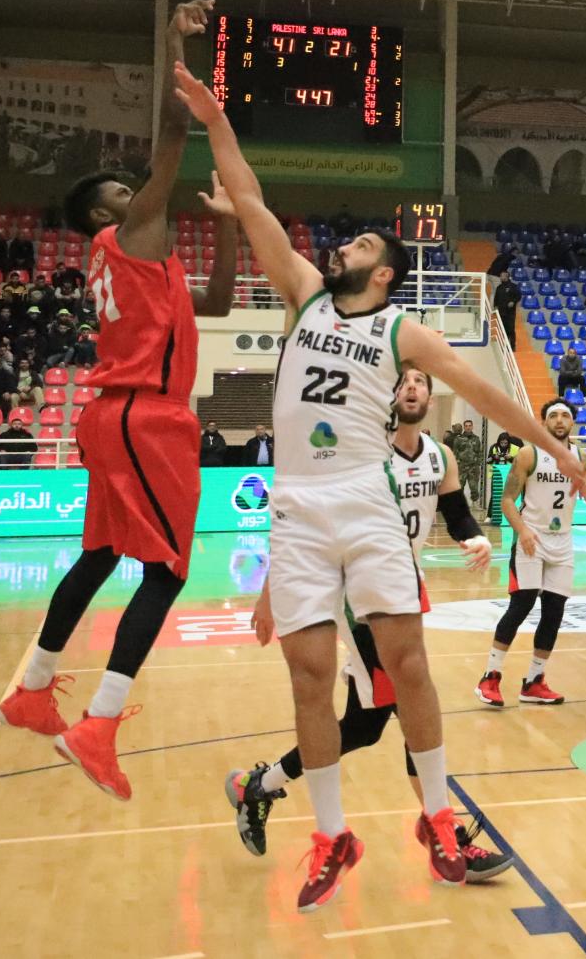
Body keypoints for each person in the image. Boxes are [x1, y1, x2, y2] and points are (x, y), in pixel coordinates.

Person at [172, 59, 586, 911]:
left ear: (384, 273)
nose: (342, 248)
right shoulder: (302, 295)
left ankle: (438, 818)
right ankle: (331, 834)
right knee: (308, 677)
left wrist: (561, 452)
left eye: (361, 247)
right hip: (295, 507)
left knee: (406, 666)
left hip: (364, 501)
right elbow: (250, 198)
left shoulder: (406, 329)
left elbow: (486, 395)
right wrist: (217, 120)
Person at [0, 0, 241, 800]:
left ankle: (32, 688)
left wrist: (230, 226)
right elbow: (171, 137)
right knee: (165, 572)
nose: (142, 192)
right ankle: (98, 722)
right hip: (146, 417)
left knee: (100, 557)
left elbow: (218, 305)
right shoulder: (128, 232)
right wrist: (173, 42)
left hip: (111, 419)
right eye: (125, 189)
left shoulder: (142, 264)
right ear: (107, 212)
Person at [224, 367, 510, 880]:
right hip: (359, 599)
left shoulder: (441, 456)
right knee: (410, 710)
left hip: (402, 589)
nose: (413, 387)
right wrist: (270, 594)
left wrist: (478, 538)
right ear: (389, 393)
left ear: (430, 395)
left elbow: (457, 514)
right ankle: (447, 838)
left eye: (422, 381)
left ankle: (258, 785)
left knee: (364, 725)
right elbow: (305, 522)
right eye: (405, 381)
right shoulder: (363, 455)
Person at [479, 398, 586, 708]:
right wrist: (523, 531)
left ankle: (534, 681)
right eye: (554, 416)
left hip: (562, 541)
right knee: (521, 605)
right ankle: (490, 676)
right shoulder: (529, 453)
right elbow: (508, 501)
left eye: (566, 415)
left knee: (554, 613)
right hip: (531, 538)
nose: (560, 420)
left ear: (573, 423)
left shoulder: (580, 456)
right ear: (544, 423)